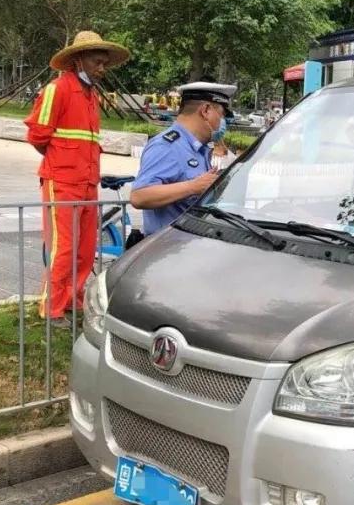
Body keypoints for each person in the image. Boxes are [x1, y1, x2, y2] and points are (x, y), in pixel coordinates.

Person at [25, 31, 129, 328]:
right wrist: (63, 162)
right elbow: (37, 136)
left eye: (104, 63)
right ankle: (52, 308)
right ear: (79, 60)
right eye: (97, 62)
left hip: (87, 183)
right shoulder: (56, 90)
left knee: (84, 250)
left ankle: (73, 300)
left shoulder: (91, 95)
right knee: (64, 248)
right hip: (62, 182)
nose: (102, 69)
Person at [130, 82, 235, 235]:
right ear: (206, 110)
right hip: (168, 246)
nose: (222, 122)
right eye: (222, 115)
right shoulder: (167, 146)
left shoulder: (197, 148)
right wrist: (192, 187)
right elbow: (139, 196)